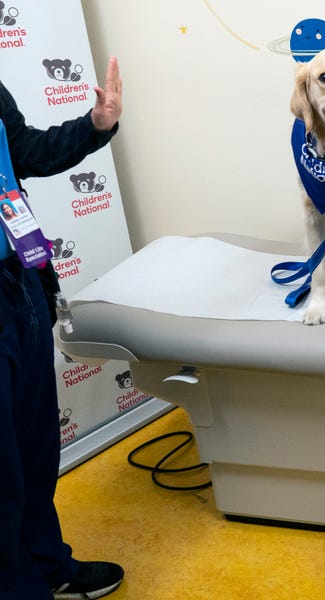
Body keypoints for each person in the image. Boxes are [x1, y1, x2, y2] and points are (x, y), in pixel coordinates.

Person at [1, 57, 125, 598]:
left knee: (32, 447)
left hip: (16, 278)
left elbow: (21, 150)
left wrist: (93, 126)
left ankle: (48, 567)